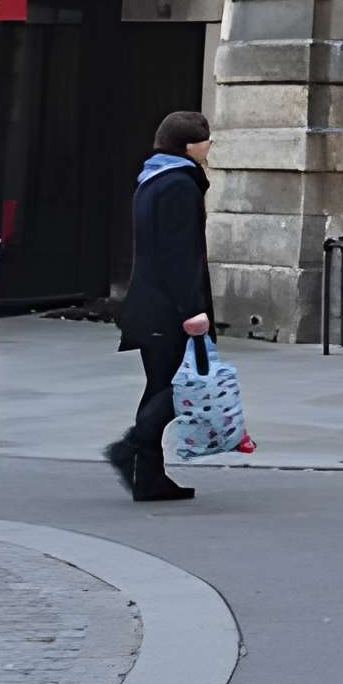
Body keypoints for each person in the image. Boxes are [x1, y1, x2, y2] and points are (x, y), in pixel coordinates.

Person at [106, 110, 214, 502]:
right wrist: (192, 310)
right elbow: (178, 254)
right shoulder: (179, 185)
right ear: (189, 146)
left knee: (160, 386)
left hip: (151, 303)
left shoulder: (153, 178)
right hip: (169, 307)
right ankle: (130, 449)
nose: (210, 146)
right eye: (206, 139)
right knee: (181, 386)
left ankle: (148, 477)